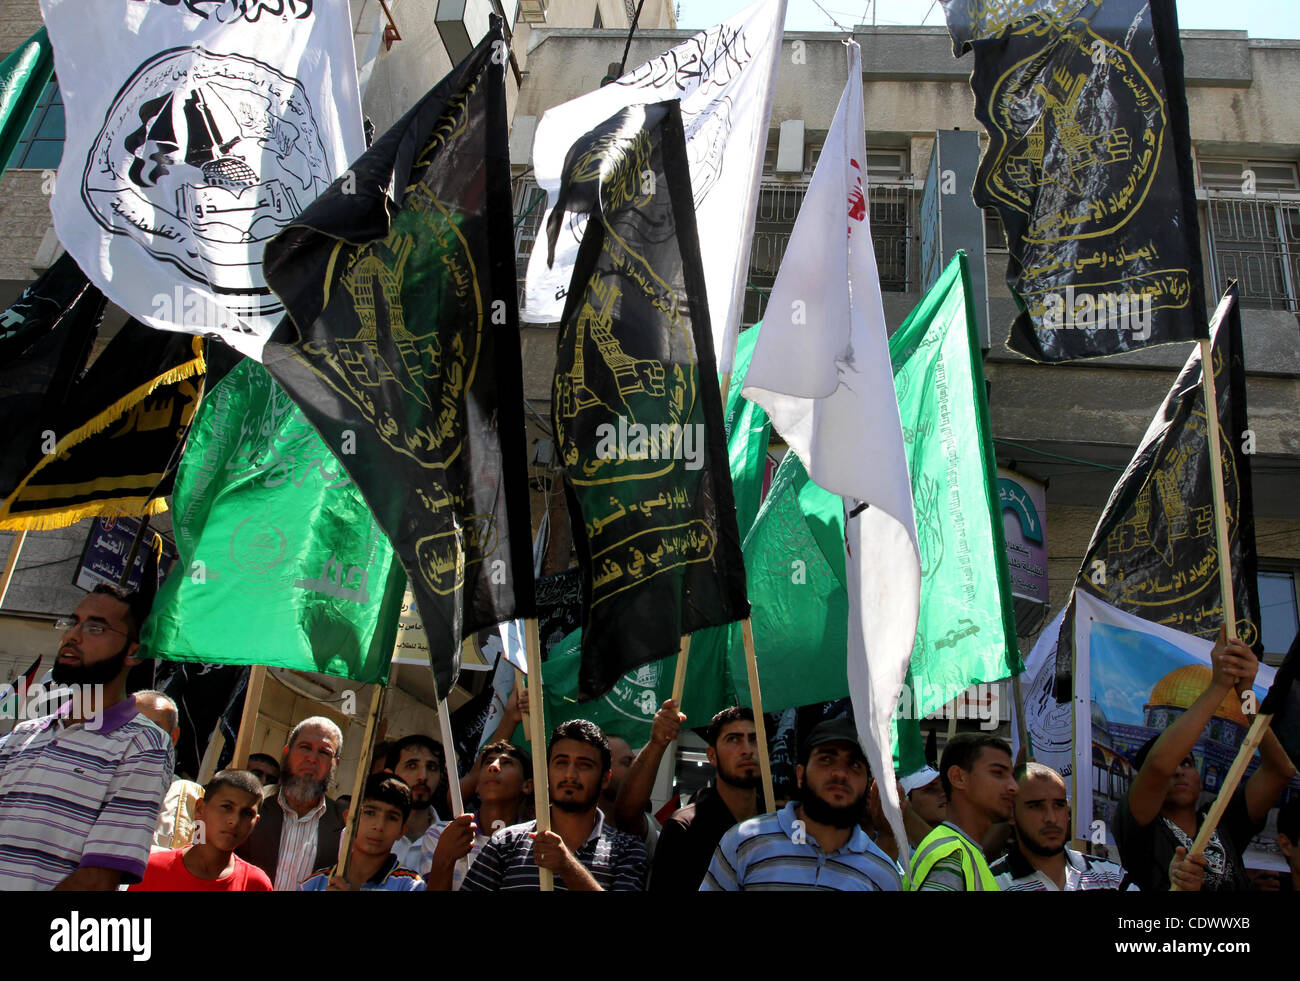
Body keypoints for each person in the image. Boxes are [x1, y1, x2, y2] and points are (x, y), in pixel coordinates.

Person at [0, 586, 174, 890]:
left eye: (96, 627)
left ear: (133, 651)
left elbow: (96, 882)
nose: (73, 636)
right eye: (73, 622)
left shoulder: (144, 746)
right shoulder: (22, 736)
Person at [1113, 626, 1296, 891]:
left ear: (1200, 776)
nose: (1178, 771)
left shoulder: (1222, 822)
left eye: (1187, 763)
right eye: (1173, 765)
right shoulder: (1140, 829)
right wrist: (1219, 686)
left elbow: (1280, 772)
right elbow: (1159, 766)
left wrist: (1245, 693)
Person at [701, 718, 901, 891]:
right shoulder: (744, 843)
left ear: (867, 783)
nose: (840, 773)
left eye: (854, 764)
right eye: (826, 759)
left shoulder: (883, 875)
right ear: (800, 774)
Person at [461, 720, 648, 891]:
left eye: (584, 765)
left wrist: (567, 866)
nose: (570, 774)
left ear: (605, 778)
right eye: (561, 763)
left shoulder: (627, 850)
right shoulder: (506, 842)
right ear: (547, 770)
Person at [650, 705, 762, 891]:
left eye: (754, 739)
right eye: (733, 739)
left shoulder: (779, 821)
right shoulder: (684, 827)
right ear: (712, 755)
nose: (747, 750)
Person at [237, 716, 347, 890]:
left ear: (335, 764)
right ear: (286, 752)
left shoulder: (344, 827)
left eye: (324, 752)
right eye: (305, 747)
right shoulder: (250, 810)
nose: (312, 758)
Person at [989, 762, 1127, 891]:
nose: (1051, 818)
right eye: (1036, 806)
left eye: (1059, 805)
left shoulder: (1112, 877)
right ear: (1011, 813)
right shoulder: (989, 883)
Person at [130, 770, 272, 891]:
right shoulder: (153, 869)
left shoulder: (255, 884)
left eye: (247, 813)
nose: (234, 821)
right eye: (226, 807)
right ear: (200, 808)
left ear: (255, 822)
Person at [908, 733, 1016, 891]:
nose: (1013, 786)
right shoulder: (951, 858)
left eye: (1011, 776)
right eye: (998, 773)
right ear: (958, 777)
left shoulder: (964, 852)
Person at [423, 740, 533, 890]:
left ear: (527, 785)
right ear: (477, 785)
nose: (493, 767)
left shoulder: (532, 846)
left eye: (507, 763)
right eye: (488, 762)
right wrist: (445, 857)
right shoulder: (439, 834)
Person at [300, 774, 424, 891]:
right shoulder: (314, 884)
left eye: (392, 817)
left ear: (402, 830)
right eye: (370, 813)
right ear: (349, 818)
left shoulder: (411, 886)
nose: (379, 826)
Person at [134, 689, 205, 849]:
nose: (139, 736)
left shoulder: (192, 797)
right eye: (132, 725)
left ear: (173, 737)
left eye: (152, 729)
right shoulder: (95, 782)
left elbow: (202, 852)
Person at [385, 733, 449, 869]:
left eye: (431, 767)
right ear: (390, 775)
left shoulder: (449, 839)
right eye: (412, 766)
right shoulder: (363, 832)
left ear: (441, 777)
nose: (423, 777)